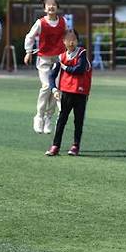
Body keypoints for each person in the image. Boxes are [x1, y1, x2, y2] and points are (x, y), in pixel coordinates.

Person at [23, 0, 67, 135]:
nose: (51, 6)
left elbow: (68, 38)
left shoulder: (63, 22)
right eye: (48, 4)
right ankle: (39, 116)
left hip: (58, 60)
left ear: (57, 7)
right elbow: (30, 36)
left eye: (53, 4)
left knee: (56, 90)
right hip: (44, 60)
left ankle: (49, 118)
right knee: (47, 86)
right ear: (44, 8)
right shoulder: (40, 23)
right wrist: (28, 52)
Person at [45, 29, 92, 157]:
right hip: (66, 92)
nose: (71, 42)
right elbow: (51, 75)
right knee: (61, 120)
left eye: (74, 39)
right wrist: (54, 89)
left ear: (77, 41)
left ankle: (75, 146)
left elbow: (80, 69)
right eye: (68, 39)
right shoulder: (61, 57)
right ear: (64, 42)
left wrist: (65, 67)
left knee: (78, 120)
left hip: (81, 93)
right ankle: (55, 146)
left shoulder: (82, 53)